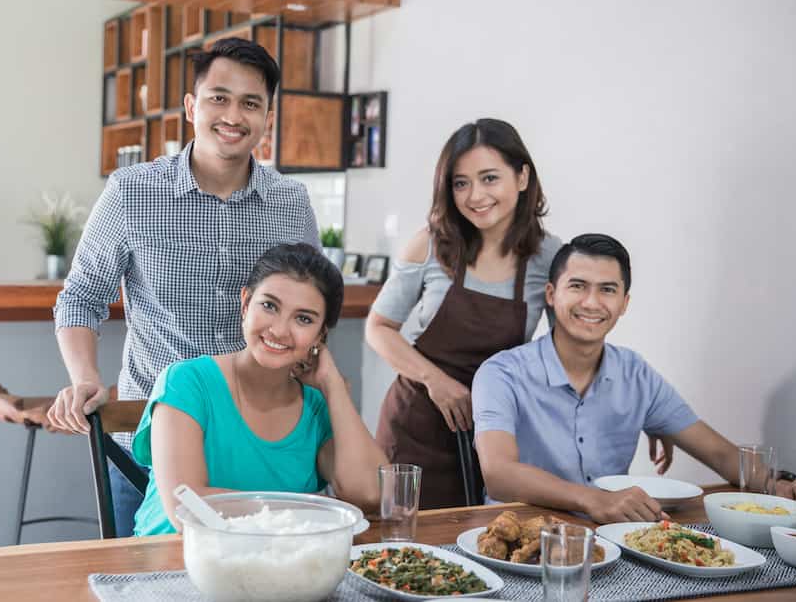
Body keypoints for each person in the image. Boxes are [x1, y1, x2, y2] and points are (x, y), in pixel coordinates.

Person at [48, 38, 321, 536]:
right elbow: (81, 296)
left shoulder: (292, 202)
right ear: (192, 107)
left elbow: (311, 308)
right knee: (143, 581)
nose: (233, 115)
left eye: (251, 103)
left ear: (268, 118)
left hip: (256, 442)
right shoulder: (132, 192)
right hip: (148, 442)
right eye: (219, 97)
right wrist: (85, 375)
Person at [472, 234, 796, 522]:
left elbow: (720, 454)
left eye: (607, 290)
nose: (592, 302)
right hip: (516, 541)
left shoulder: (635, 374)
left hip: (613, 542)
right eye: (578, 286)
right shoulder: (501, 374)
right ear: (551, 294)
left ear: (624, 303)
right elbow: (499, 473)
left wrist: (789, 485)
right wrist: (593, 500)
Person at [365, 118, 562, 509]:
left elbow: (563, 350)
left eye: (489, 178)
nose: (475, 196)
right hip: (415, 428)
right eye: (461, 183)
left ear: (522, 177)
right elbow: (379, 328)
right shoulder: (430, 245)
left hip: (493, 435)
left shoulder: (549, 258)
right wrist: (435, 381)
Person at [132, 243, 388, 534]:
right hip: (168, 560)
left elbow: (371, 495)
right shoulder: (187, 381)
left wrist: (334, 387)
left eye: (303, 319)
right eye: (269, 306)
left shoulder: (316, 406)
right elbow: (187, 510)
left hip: (276, 566)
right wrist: (312, 507)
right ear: (245, 303)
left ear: (320, 335)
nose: (279, 330)